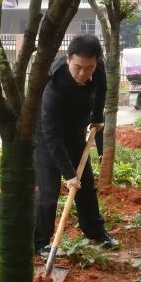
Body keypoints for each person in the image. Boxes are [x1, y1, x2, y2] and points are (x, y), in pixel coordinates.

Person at [34, 34, 118, 257]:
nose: (83, 73)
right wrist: (69, 174)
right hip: (46, 134)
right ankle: (40, 242)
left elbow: (101, 88)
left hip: (75, 130)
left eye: (89, 68)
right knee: (48, 190)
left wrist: (97, 117)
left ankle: (95, 231)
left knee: (86, 184)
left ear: (96, 63)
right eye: (78, 67)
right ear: (69, 59)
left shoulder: (97, 70)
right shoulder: (53, 88)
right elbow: (52, 135)